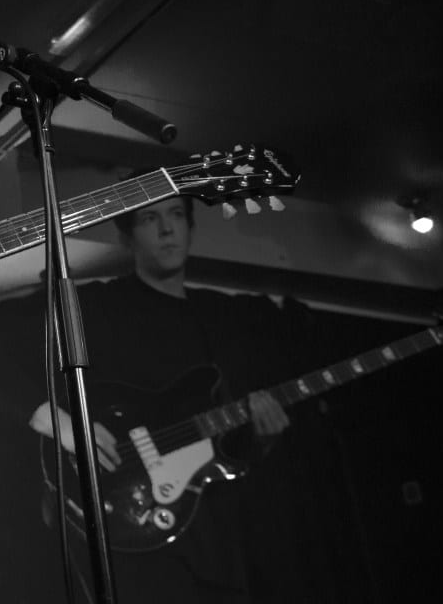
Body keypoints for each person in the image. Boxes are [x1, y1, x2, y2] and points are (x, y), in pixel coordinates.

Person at [29, 191, 291, 604]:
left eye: (176, 215)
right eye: (150, 219)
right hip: (129, 530)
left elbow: (230, 451)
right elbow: (3, 364)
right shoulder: (100, 305)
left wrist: (262, 438)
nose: (167, 229)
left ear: (190, 226)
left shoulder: (223, 319)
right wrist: (62, 421)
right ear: (126, 236)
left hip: (213, 543)